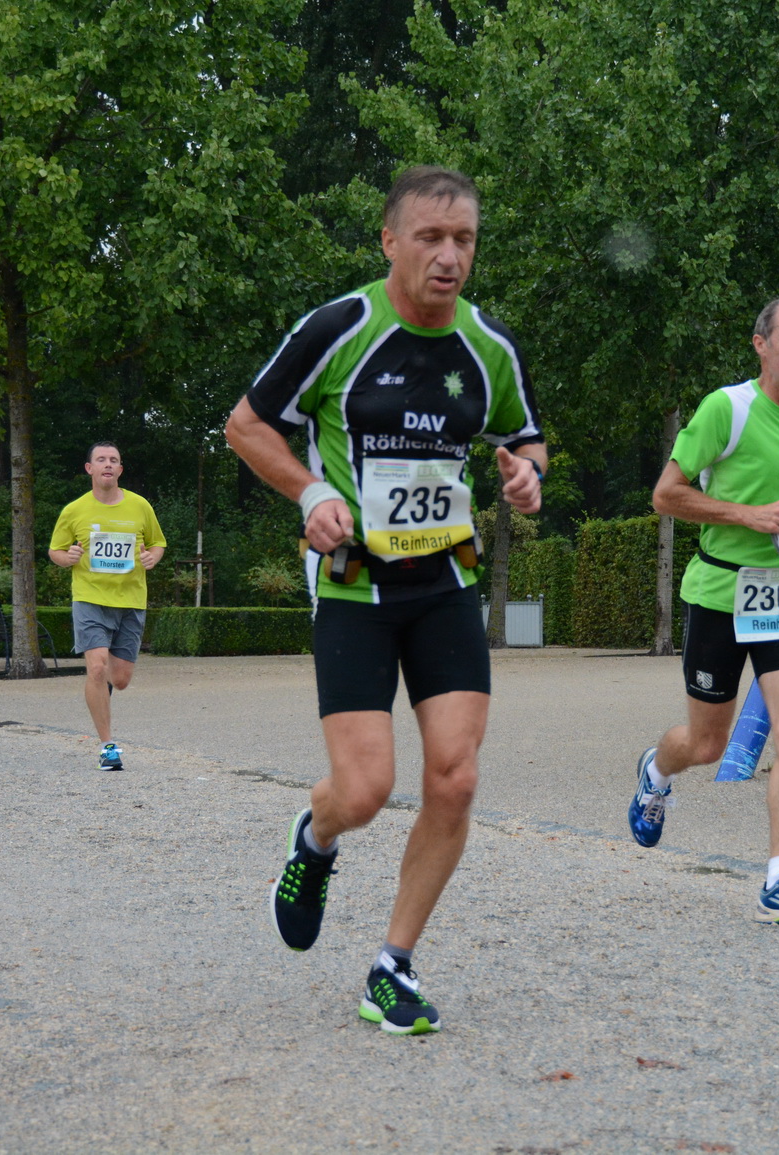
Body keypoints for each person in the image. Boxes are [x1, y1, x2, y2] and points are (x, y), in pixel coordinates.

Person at [225, 164, 545, 1036]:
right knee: (364, 789)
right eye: (432, 238)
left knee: (457, 775)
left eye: (466, 240)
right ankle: (315, 838)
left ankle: (391, 964)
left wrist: (527, 475)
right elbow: (247, 425)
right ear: (390, 240)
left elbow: (523, 433)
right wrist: (308, 494)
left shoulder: (489, 344)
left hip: (446, 582)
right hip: (355, 587)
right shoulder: (342, 327)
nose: (450, 256)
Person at [627, 298, 779, 926]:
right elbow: (666, 495)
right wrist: (749, 515)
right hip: (721, 590)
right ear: (760, 344)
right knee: (706, 744)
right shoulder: (725, 409)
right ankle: (656, 771)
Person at [48, 442, 166, 771]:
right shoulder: (74, 510)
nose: (108, 465)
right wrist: (66, 557)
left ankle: (101, 692)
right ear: (90, 469)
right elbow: (55, 551)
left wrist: (151, 557)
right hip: (90, 599)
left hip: (130, 600)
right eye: (101, 460)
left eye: (114, 460)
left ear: (120, 470)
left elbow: (158, 543)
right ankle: (107, 746)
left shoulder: (140, 506)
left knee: (121, 678)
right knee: (97, 668)